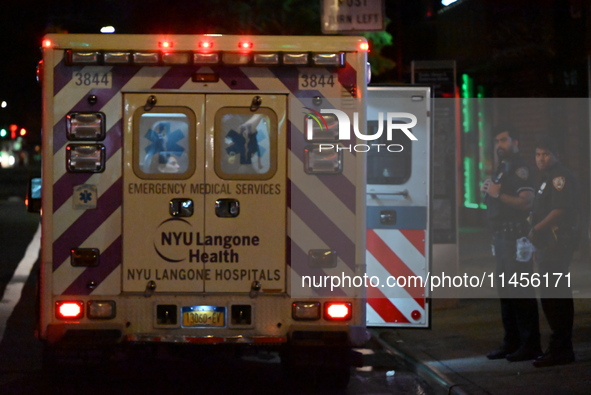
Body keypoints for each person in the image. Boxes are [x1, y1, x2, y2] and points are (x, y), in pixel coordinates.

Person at [481, 126, 542, 362]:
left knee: (521, 292)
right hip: (501, 238)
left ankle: (530, 344)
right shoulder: (502, 169)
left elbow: (526, 202)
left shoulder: (520, 168)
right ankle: (512, 342)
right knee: (506, 293)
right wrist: (489, 191)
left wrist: (497, 194)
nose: (499, 145)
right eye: (497, 140)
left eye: (504, 140)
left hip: (516, 239)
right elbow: (497, 199)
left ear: (515, 142)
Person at [528, 137, 579, 368]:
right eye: (538, 154)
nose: (541, 159)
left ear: (556, 155)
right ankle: (559, 347)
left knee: (555, 296)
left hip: (558, 244)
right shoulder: (546, 178)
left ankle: (561, 348)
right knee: (549, 296)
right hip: (548, 244)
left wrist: (536, 229)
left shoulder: (560, 177)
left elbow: (560, 209)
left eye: (546, 154)